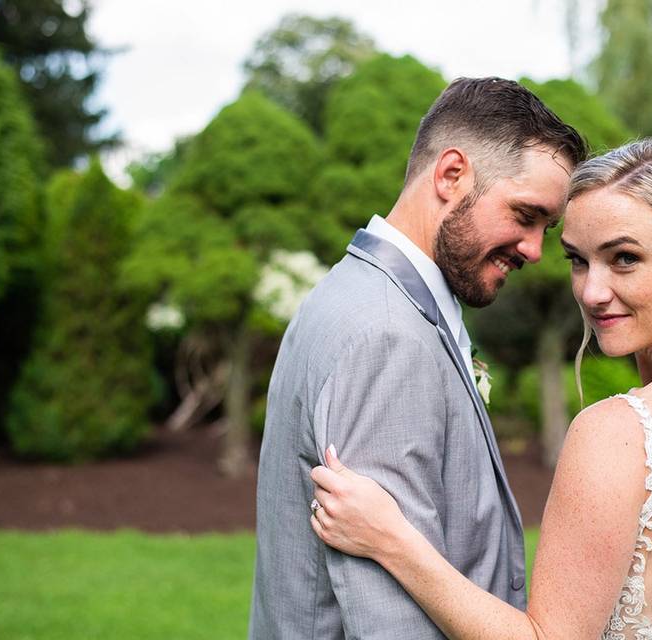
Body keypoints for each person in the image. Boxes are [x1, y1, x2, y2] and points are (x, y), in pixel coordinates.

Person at [309, 139, 652, 639]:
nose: (592, 292)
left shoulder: (621, 432)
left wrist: (393, 542)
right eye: (578, 260)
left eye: (625, 259)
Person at [248, 77, 586, 639]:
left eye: (545, 229)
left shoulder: (354, 295)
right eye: (525, 215)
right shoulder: (386, 335)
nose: (534, 249)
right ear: (451, 176)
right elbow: (391, 621)